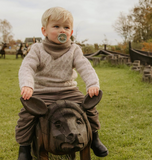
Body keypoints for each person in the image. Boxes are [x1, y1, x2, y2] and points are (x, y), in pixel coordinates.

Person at [16, 7, 108, 160]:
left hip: (68, 90)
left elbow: (85, 66)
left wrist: (92, 84)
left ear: (71, 32)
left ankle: (94, 138)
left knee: (90, 107)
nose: (62, 31)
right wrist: (27, 85)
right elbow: (27, 67)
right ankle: (24, 147)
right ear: (44, 30)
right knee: (27, 114)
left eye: (66, 27)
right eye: (56, 26)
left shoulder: (74, 50)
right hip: (42, 91)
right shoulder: (37, 49)